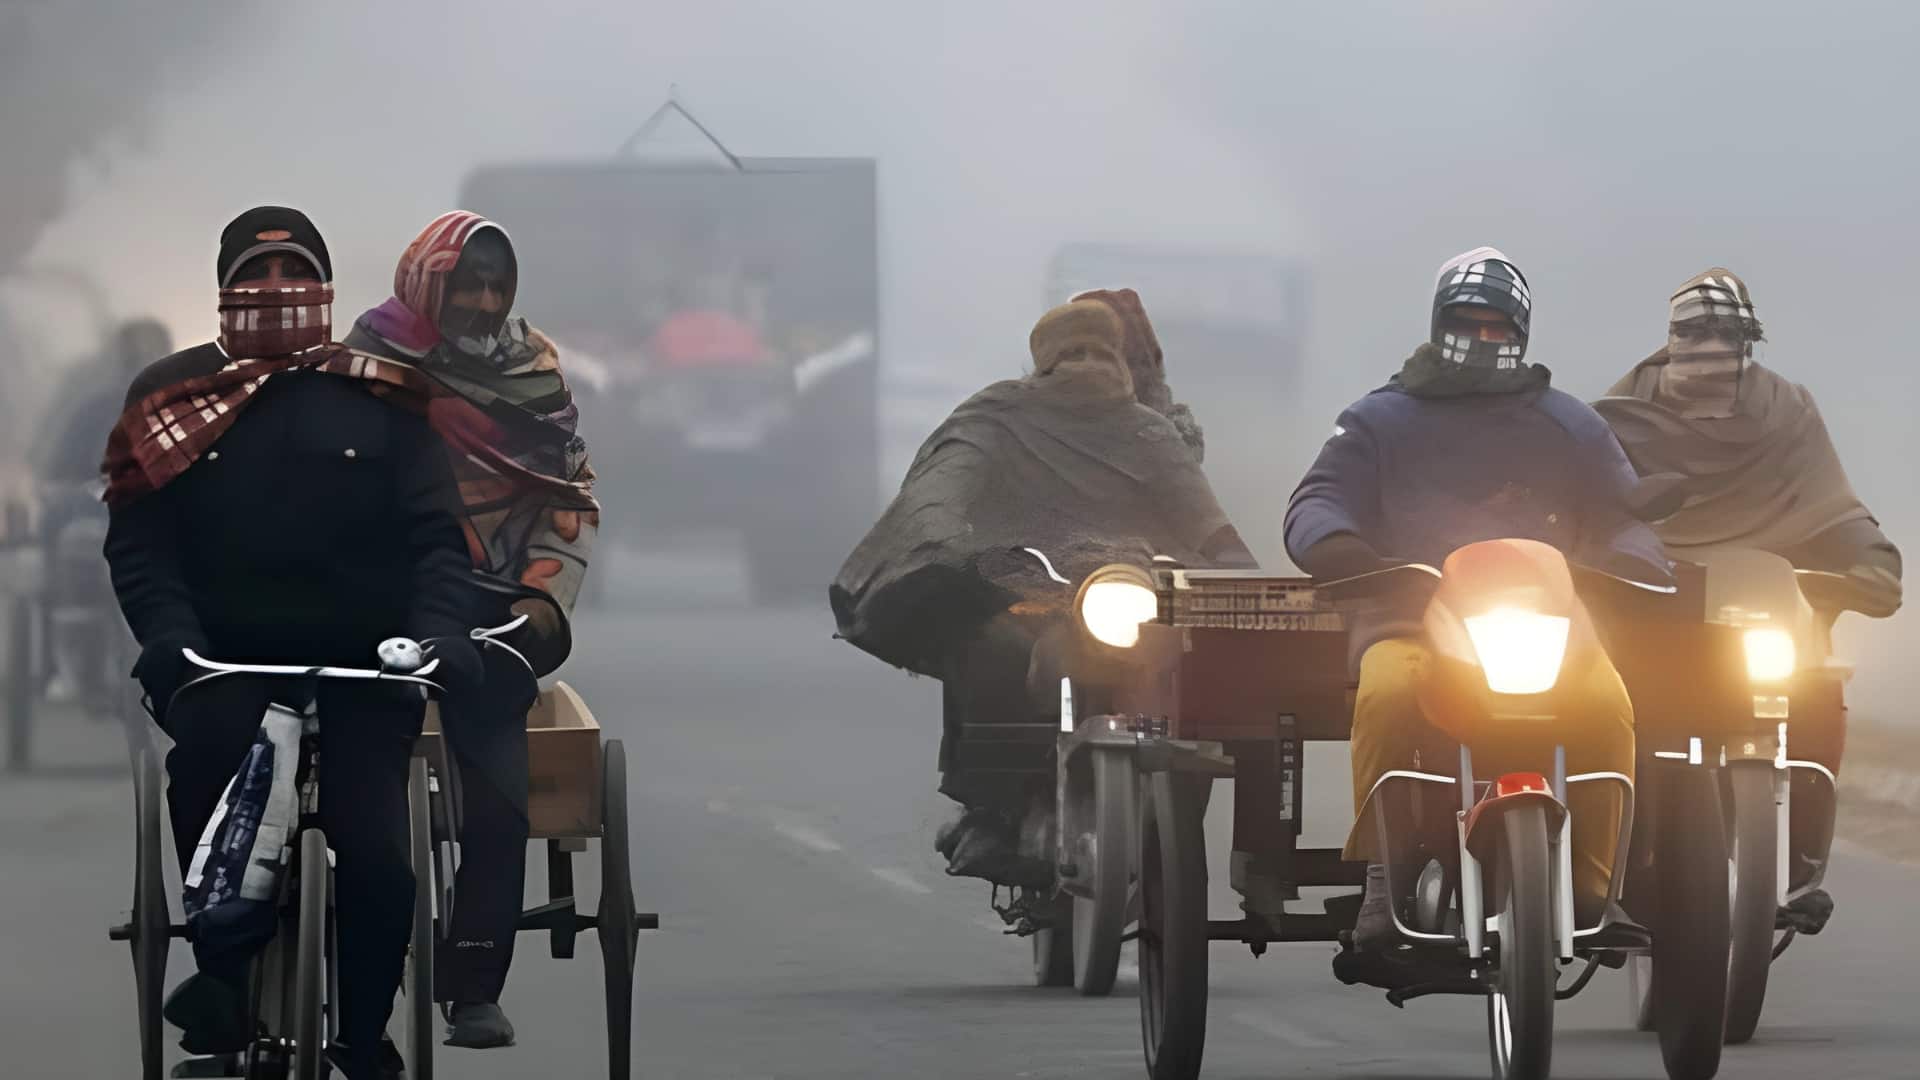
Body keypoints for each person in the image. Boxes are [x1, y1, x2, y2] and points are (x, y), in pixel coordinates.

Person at [104, 206, 481, 1080]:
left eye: (295, 270)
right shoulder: (169, 396)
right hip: (224, 662)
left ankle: (363, 1033)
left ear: (325, 283)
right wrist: (172, 641)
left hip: (364, 666)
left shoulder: (384, 394)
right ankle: (225, 983)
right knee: (208, 782)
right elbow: (141, 544)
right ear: (224, 287)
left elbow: (437, 539)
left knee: (379, 855)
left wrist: (436, 633)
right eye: (256, 273)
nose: (276, 288)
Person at [1284, 246, 1672, 950]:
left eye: (1498, 326)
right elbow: (1320, 497)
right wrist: (1342, 550)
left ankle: (1594, 887)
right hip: (1410, 618)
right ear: (1439, 323)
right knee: (1387, 694)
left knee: (1608, 703)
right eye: (1468, 322)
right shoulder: (1378, 419)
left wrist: (1625, 561)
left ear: (1521, 333)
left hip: (1550, 627)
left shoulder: (1570, 423)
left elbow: (1626, 512)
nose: (1483, 337)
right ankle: (1385, 874)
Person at [833, 295, 1253, 890]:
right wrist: (943, 538)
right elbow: (946, 483)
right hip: (1029, 588)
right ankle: (999, 811)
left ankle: (1171, 815)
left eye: (1099, 351)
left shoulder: (1148, 428)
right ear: (1043, 363)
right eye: (1072, 352)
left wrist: (1236, 566)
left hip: (1128, 591)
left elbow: (1202, 516)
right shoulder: (996, 416)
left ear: (1121, 360)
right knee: (991, 645)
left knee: (1195, 677)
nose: (1088, 364)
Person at [345, 210, 598, 1050]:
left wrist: (543, 599)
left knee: (499, 794)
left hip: (496, 608)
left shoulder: (537, 374)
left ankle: (476, 984)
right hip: (382, 603)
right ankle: (360, 989)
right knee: (361, 794)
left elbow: (567, 497)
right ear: (426, 282)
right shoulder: (365, 367)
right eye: (467, 284)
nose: (485, 302)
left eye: (497, 286)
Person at [1594, 267, 1902, 932]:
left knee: (1817, 691)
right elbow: (1592, 503)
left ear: (1748, 340)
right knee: (1604, 709)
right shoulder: (1620, 416)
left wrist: (1865, 553)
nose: (1709, 346)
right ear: (1671, 339)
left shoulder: (1787, 410)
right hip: (1654, 613)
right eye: (1694, 332)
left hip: (1761, 609)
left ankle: (1797, 863)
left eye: (1725, 334)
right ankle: (1607, 870)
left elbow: (1825, 499)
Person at [35, 317, 173, 703]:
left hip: (164, 514)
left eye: (150, 353)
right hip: (98, 513)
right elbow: (59, 474)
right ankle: (67, 657)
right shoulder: (94, 410)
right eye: (135, 353)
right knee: (69, 529)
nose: (142, 362)